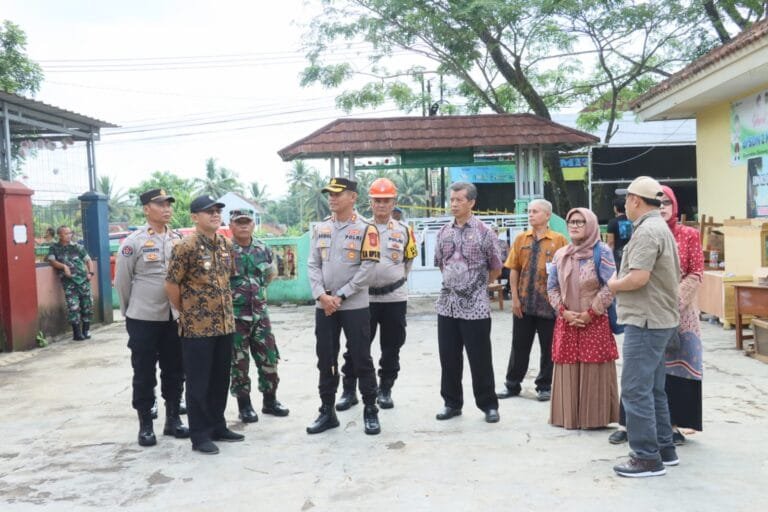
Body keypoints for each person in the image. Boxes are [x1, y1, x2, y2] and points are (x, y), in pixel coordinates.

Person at [608, 185, 704, 446]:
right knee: (650, 383)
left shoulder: (657, 232)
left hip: (661, 314)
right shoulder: (650, 229)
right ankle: (660, 444)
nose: (663, 208)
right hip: (657, 312)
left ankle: (648, 452)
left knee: (641, 384)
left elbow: (693, 272)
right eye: (660, 202)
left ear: (635, 201)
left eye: (667, 203)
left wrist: (614, 286)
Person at [608, 176, 680, 478]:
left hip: (646, 320)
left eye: (627, 198)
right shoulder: (658, 227)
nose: (625, 203)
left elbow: (638, 278)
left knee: (635, 389)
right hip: (659, 319)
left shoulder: (647, 231)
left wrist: (613, 285)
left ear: (635, 200)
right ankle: (664, 448)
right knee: (653, 388)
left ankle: (646, 457)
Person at [165, 195, 244, 455]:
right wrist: (187, 311)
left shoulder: (225, 244)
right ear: (194, 217)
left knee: (220, 379)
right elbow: (172, 284)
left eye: (217, 210)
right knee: (199, 381)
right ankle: (199, 434)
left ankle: (217, 426)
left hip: (224, 323)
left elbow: (228, 279)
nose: (215, 214)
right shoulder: (185, 246)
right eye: (208, 211)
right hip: (197, 327)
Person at [306, 177, 382, 435]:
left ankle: (370, 409)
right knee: (326, 359)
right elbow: (313, 264)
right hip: (325, 306)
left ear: (353, 197)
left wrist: (341, 296)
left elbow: (368, 268)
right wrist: (321, 295)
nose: (332, 198)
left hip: (354, 306)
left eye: (338, 194)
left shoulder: (366, 229)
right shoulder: (321, 228)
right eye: (330, 193)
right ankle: (327, 411)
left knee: (361, 358)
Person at [114, 188, 189, 447]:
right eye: (160, 204)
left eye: (169, 204)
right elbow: (122, 282)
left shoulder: (178, 240)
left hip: (173, 317)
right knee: (144, 372)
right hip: (143, 317)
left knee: (175, 370)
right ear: (147, 209)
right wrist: (130, 312)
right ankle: (145, 424)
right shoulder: (132, 243)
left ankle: (173, 420)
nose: (167, 208)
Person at [336, 178, 418, 411]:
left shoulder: (404, 231)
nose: (382, 205)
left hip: (394, 298)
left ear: (394, 202)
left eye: (386, 200)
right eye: (377, 200)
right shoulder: (358, 228)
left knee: (392, 346)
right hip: (364, 299)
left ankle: (385, 389)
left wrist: (392, 280)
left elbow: (408, 262)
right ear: (370, 202)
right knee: (356, 346)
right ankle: (349, 391)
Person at [433, 182, 502, 423]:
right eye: (451, 199)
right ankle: (451, 403)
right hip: (447, 305)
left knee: (480, 358)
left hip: (476, 307)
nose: (453, 204)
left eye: (459, 200)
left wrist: (476, 287)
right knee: (449, 358)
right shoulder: (443, 232)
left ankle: (488, 405)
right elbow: (441, 264)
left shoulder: (485, 232)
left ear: (471, 202)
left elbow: (496, 268)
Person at [547, 208, 619, 429]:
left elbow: (611, 286)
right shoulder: (561, 254)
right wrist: (564, 312)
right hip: (567, 322)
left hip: (594, 321)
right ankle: (568, 417)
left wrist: (591, 313)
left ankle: (594, 419)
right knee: (568, 368)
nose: (575, 226)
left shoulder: (602, 252)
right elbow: (551, 288)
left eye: (580, 222)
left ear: (591, 225)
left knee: (593, 368)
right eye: (571, 222)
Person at [497, 199, 567, 402]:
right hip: (524, 304)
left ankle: (544, 386)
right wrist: (515, 299)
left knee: (548, 347)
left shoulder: (559, 240)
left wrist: (562, 302)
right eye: (529, 211)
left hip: (549, 305)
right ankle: (512, 384)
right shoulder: (521, 239)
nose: (530, 214)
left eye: (535, 211)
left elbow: (565, 272)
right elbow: (514, 269)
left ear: (547, 215)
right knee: (519, 346)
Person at [228, 208, 290, 423]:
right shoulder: (225, 250)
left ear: (253, 224)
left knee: (269, 357)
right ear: (231, 226)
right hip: (235, 317)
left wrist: (256, 294)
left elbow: (270, 274)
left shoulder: (263, 248)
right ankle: (244, 406)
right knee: (239, 363)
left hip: (260, 315)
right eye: (239, 222)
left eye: (247, 222)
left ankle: (270, 401)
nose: (244, 225)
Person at [47, 225, 95, 341]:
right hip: (69, 282)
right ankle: (77, 333)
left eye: (70, 233)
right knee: (73, 307)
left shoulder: (77, 247)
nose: (69, 235)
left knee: (87, 306)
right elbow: (52, 261)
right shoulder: (54, 248)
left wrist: (90, 273)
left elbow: (88, 260)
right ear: (59, 235)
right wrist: (63, 266)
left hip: (83, 281)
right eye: (66, 233)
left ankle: (86, 330)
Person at [606, 196, 633, 271]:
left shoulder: (612, 222)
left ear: (615, 208)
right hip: (632, 253)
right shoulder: (632, 221)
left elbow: (610, 243)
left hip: (618, 256)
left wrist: (608, 258)